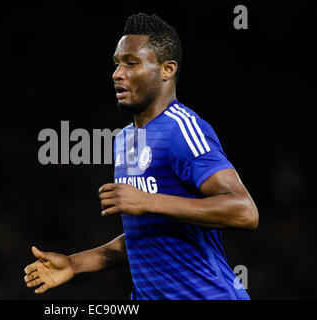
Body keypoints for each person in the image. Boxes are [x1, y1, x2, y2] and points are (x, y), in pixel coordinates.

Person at [24, 12, 258, 300]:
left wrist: (148, 201)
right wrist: (74, 263)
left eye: (131, 63)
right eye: (117, 64)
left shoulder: (183, 129)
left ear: (167, 70)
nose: (117, 74)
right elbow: (145, 237)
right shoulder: (126, 140)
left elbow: (244, 211)